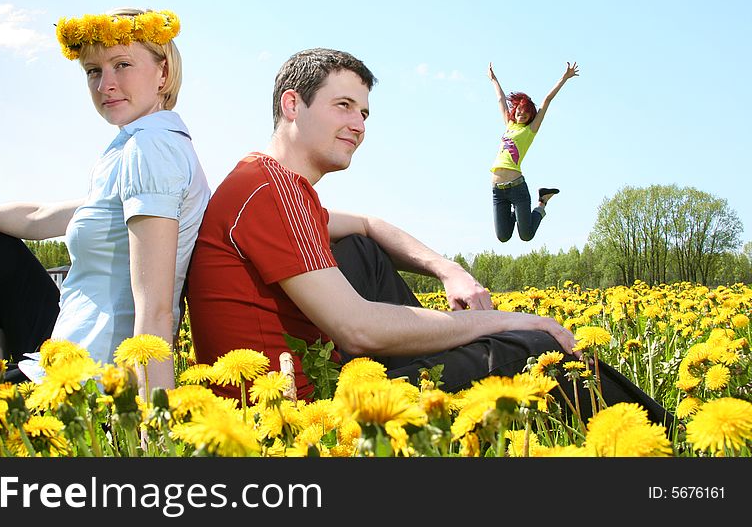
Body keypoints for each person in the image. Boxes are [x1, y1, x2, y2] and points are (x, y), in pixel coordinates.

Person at [186, 48, 671, 428]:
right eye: (343, 106)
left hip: (309, 389)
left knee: (361, 248)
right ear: (292, 104)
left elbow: (370, 225)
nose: (358, 125)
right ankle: (673, 448)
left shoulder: (271, 185)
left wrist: (449, 269)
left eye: (365, 113)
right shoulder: (271, 192)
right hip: (295, 420)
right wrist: (504, 321)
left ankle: (439, 362)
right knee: (532, 348)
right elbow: (359, 329)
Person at [0, 8, 211, 394]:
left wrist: (151, 430)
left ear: (164, 73)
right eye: (93, 71)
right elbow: (38, 217)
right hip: (67, 350)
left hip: (93, 379)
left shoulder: (150, 148)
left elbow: (154, 310)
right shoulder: (134, 147)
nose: (106, 84)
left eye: (122, 64)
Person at [489, 61, 579, 242]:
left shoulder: (529, 130)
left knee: (526, 235)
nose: (521, 114)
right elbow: (500, 99)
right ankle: (518, 210)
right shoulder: (509, 125)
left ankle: (542, 201)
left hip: (517, 188)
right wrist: (493, 79)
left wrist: (564, 78)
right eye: (519, 111)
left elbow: (547, 101)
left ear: (530, 116)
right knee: (503, 236)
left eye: (525, 113)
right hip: (498, 191)